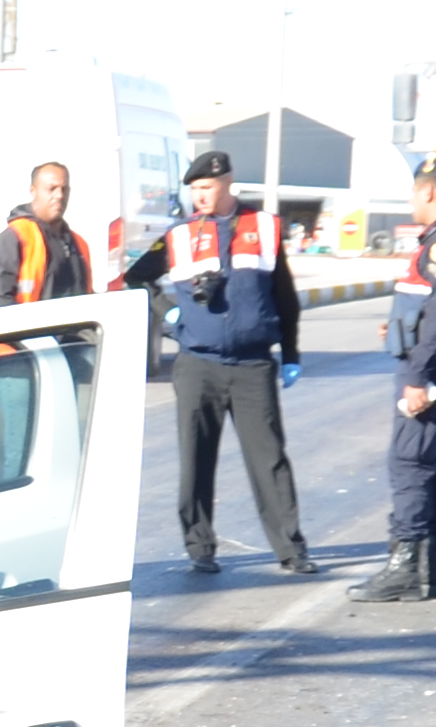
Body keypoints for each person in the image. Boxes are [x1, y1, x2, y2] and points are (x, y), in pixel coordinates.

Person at [120, 148, 310, 576]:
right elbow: (136, 277)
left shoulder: (262, 227)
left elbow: (285, 296)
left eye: (207, 188)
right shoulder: (179, 234)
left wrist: (292, 354)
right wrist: (169, 311)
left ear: (227, 185)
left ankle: (291, 548)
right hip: (198, 364)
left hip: (252, 365)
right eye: (195, 189)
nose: (200, 196)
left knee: (270, 460)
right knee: (196, 458)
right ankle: (200, 546)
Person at [352, 157, 436, 603]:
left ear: (429, 192)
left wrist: (417, 375)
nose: (412, 200)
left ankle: (405, 569)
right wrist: (400, 326)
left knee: (410, 464)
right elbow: (431, 307)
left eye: (414, 192)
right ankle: (434, 572)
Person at [0, 161, 89, 303]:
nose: (59, 195)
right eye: (51, 189)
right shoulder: (15, 237)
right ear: (33, 191)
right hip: (32, 325)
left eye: (64, 189)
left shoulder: (78, 244)